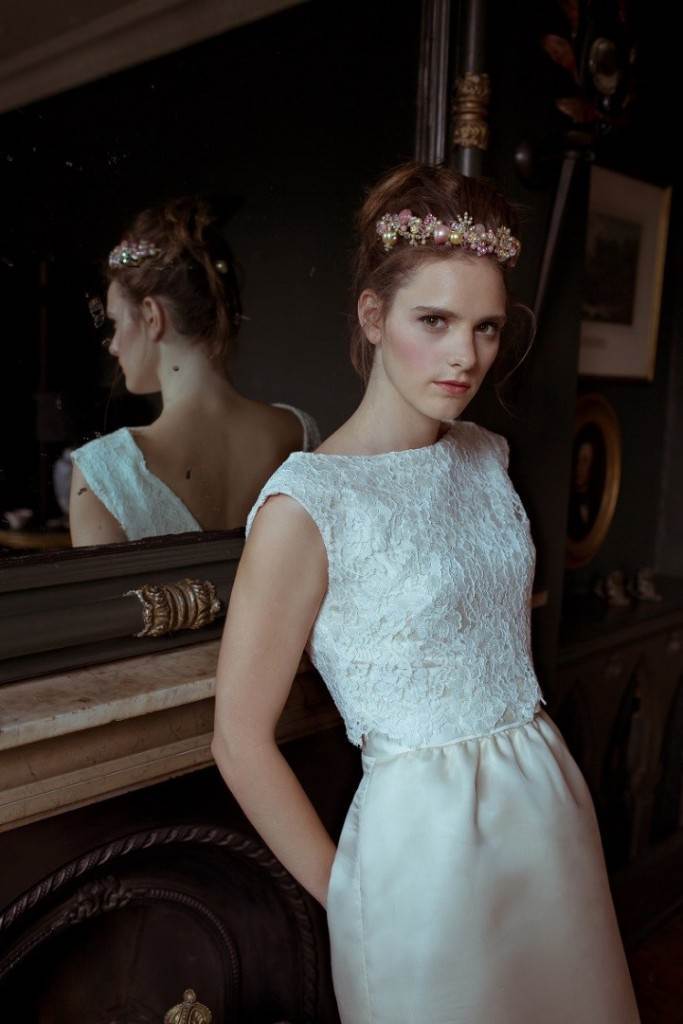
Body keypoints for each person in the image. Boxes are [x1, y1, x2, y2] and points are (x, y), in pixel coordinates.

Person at [211, 163, 640, 1023]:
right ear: (374, 318)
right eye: (433, 321)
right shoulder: (308, 504)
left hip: (543, 804)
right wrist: (355, 895)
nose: (464, 355)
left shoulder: (486, 454)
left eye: (484, 328)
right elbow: (237, 739)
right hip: (421, 850)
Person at [69, 198, 319, 545]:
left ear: (152, 317)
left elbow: (104, 601)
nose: (113, 345)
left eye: (114, 322)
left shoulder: (103, 471)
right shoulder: (296, 431)